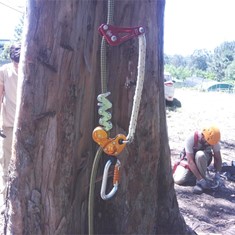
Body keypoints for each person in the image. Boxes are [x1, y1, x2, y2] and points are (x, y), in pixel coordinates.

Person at [173, 125, 222, 194]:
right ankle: (198, 177)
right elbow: (190, 161)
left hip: (203, 159)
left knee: (200, 155)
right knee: (178, 180)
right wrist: (200, 179)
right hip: (190, 160)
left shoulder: (213, 140)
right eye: (208, 143)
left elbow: (218, 159)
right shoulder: (191, 139)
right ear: (203, 136)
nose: (209, 145)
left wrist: (217, 174)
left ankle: (201, 181)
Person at [0, 43, 21, 200]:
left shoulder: (32, 70)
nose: (18, 66)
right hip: (8, 124)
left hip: (27, 125)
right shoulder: (4, 71)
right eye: (16, 62)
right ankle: (6, 198)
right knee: (6, 163)